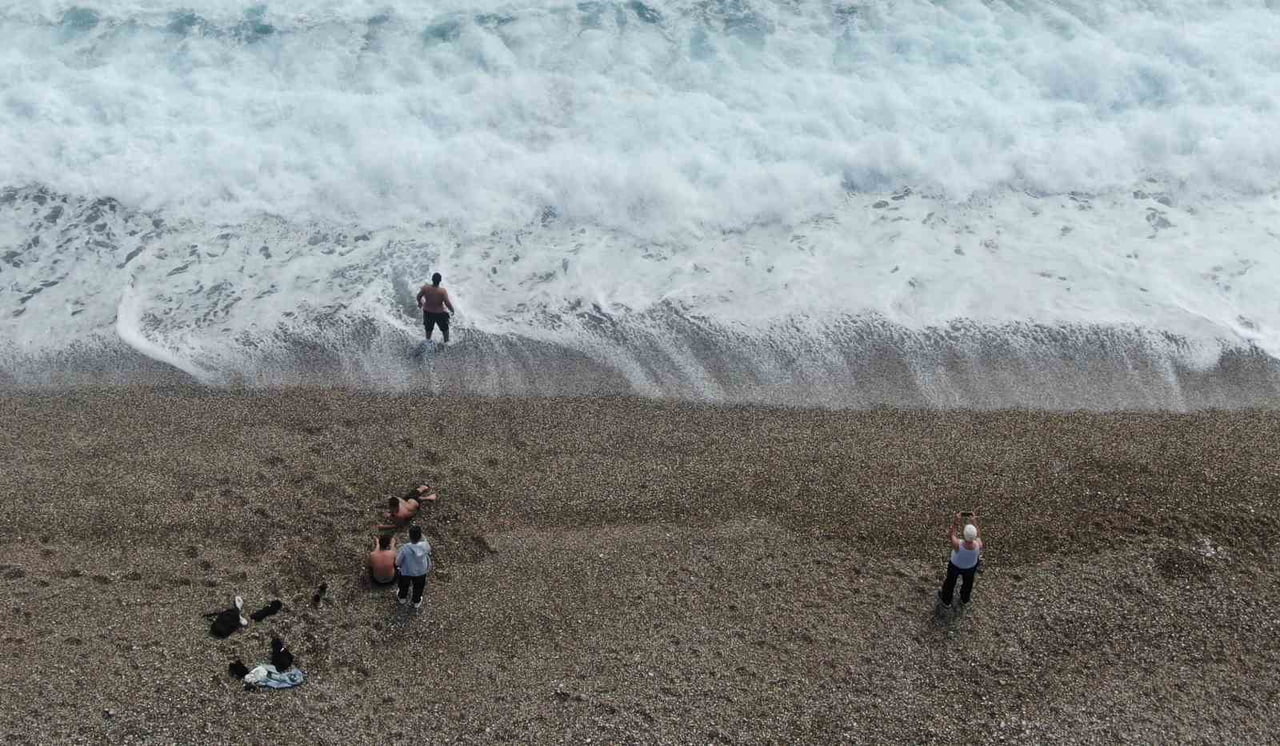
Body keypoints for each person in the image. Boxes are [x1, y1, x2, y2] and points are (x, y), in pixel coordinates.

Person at [938, 512, 983, 608]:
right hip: (970, 567)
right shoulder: (978, 545)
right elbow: (979, 536)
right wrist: (974, 522)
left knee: (950, 582)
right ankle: (964, 599)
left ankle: (946, 600)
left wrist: (956, 522)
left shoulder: (958, 545)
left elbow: (952, 535)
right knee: (968, 583)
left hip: (955, 566)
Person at [395, 525, 433, 609]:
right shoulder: (425, 545)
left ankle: (402, 598)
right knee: (419, 587)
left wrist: (398, 565)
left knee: (403, 585)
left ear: (409, 536)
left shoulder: (405, 548)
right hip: (421, 571)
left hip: (407, 571)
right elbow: (429, 550)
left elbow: (398, 562)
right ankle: (416, 601)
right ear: (420, 536)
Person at [416, 273, 456, 343]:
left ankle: (427, 344)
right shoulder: (442, 291)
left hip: (427, 312)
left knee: (428, 330)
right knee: (445, 330)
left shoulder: (425, 288)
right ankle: (446, 343)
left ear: (432, 279)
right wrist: (452, 310)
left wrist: (420, 303)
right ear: (440, 280)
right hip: (439, 313)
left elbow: (418, 296)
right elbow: (447, 303)